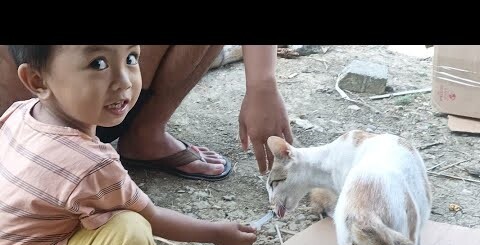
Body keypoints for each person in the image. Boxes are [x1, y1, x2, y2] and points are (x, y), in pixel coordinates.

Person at [0, 45, 257, 245]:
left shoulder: (20, 113)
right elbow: (153, 218)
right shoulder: (91, 164)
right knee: (130, 232)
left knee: (95, 212)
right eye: (98, 64)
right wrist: (215, 233)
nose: (124, 81)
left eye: (131, 58)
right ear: (37, 80)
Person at [0, 45, 293, 181]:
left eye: (132, 57)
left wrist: (262, 84)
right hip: (32, 128)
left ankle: (146, 133)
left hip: (89, 105)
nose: (128, 81)